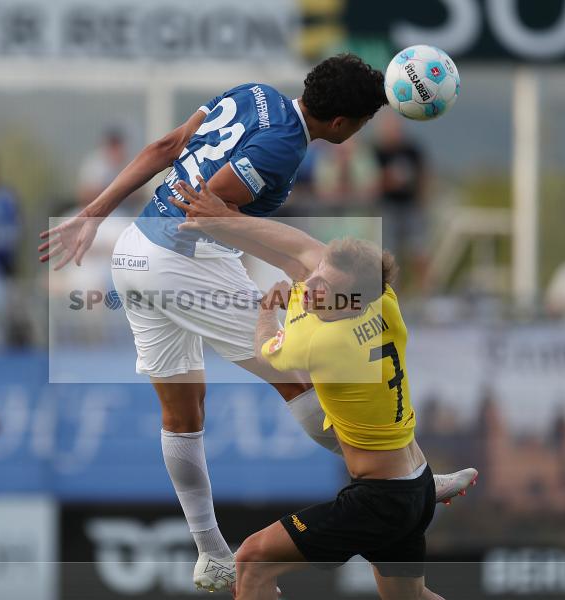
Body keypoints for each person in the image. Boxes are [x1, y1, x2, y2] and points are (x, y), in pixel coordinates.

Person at [40, 54, 474, 591]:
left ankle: (210, 552)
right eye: (361, 123)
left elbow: (162, 150)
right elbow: (211, 210)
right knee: (295, 377)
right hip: (184, 259)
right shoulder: (284, 147)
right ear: (340, 125)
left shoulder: (256, 93)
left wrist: (95, 212)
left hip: (134, 251)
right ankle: (413, 480)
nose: (359, 131)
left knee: (181, 412)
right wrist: (295, 272)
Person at [172, 178, 450, 599]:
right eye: (318, 277)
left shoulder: (322, 342)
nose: (314, 287)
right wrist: (222, 221)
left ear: (353, 301)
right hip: (414, 483)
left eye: (327, 288)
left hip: (380, 498)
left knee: (251, 561)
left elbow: (267, 352)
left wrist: (269, 307)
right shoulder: (383, 299)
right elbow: (300, 250)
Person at [372, 113, 429, 288]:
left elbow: (423, 176)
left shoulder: (411, 150)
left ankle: (425, 292)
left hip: (411, 207)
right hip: (387, 208)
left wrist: (422, 201)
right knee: (391, 254)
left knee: (418, 251)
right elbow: (372, 181)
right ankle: (394, 294)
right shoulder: (376, 152)